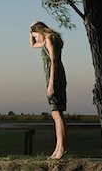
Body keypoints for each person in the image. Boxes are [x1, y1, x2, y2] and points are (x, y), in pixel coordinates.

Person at [29, 21, 67, 160]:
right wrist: (30, 31)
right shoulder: (46, 40)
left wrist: (51, 84)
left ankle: (61, 148)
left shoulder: (49, 39)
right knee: (56, 114)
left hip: (54, 78)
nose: (36, 38)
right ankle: (58, 148)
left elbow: (54, 60)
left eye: (36, 35)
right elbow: (32, 45)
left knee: (57, 114)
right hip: (53, 78)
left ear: (40, 31)